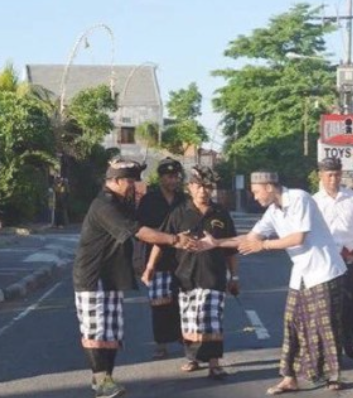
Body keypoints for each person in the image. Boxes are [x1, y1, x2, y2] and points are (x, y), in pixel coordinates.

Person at [209, 170, 348, 394]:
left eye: (256, 192)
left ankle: (334, 375)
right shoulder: (273, 211)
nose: (255, 197)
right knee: (291, 323)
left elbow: (298, 238)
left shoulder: (299, 198)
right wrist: (216, 242)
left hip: (324, 271)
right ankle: (289, 377)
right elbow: (251, 238)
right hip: (301, 274)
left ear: (270, 187)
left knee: (326, 326)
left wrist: (263, 246)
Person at [73, 157, 196, 398]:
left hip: (111, 275)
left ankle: (106, 378)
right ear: (115, 181)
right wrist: (174, 239)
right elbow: (138, 231)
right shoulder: (104, 205)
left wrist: (129, 164)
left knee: (112, 332)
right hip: (92, 275)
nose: (134, 186)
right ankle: (101, 381)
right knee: (95, 330)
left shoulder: (121, 201)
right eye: (130, 181)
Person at [143, 165, 239, 380]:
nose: (203, 191)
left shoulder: (221, 213)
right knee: (189, 319)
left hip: (214, 275)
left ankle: (214, 363)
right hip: (184, 276)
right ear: (190, 188)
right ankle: (192, 359)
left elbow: (232, 248)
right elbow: (161, 242)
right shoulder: (179, 213)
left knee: (212, 318)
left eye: (208, 187)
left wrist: (234, 277)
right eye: (199, 186)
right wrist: (150, 267)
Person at [313, 157, 353, 359]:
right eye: (329, 175)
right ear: (320, 176)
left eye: (337, 174)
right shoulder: (313, 202)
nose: (333, 179)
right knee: (332, 308)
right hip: (327, 262)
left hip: (352, 257)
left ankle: (351, 337)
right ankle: (334, 349)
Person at [137, 157, 185, 360]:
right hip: (156, 259)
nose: (173, 180)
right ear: (161, 177)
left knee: (181, 301)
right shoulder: (150, 200)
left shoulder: (184, 200)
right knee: (159, 303)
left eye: (176, 176)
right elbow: (142, 229)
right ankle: (161, 343)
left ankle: (184, 338)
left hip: (182, 259)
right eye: (169, 176)